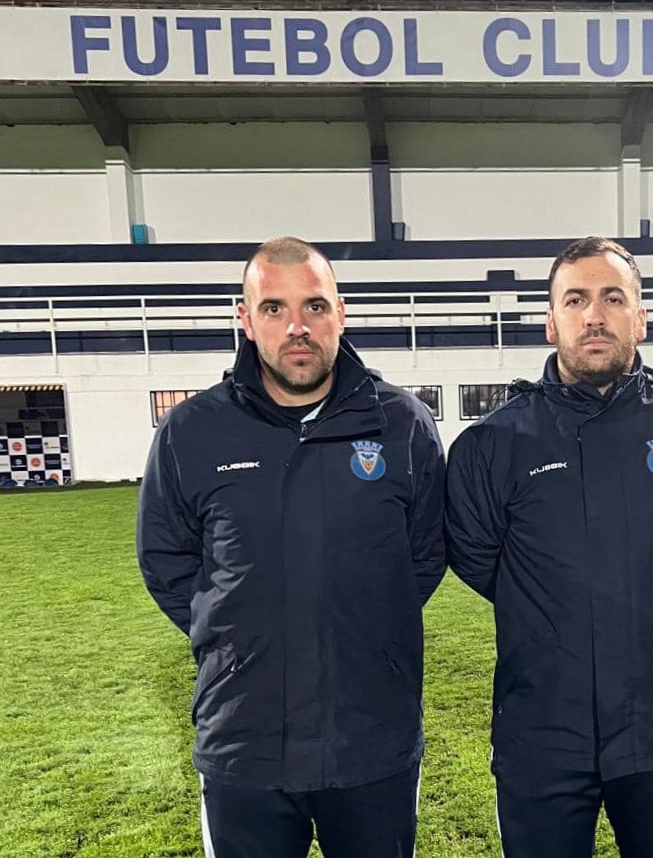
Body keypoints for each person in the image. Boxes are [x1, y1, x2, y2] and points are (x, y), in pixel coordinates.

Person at [136, 237, 445, 858]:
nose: (297, 327)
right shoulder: (191, 431)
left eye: (315, 306)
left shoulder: (402, 424)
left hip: (372, 738)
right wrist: (236, 636)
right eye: (274, 308)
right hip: (242, 740)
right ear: (246, 320)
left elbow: (424, 553)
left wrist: (368, 634)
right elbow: (167, 561)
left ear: (341, 314)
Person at [445, 236, 653, 858]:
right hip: (539, 735)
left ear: (641, 317)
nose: (594, 315)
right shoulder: (491, 445)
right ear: (550, 322)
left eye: (613, 298)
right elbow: (477, 557)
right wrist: (553, 602)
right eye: (575, 299)